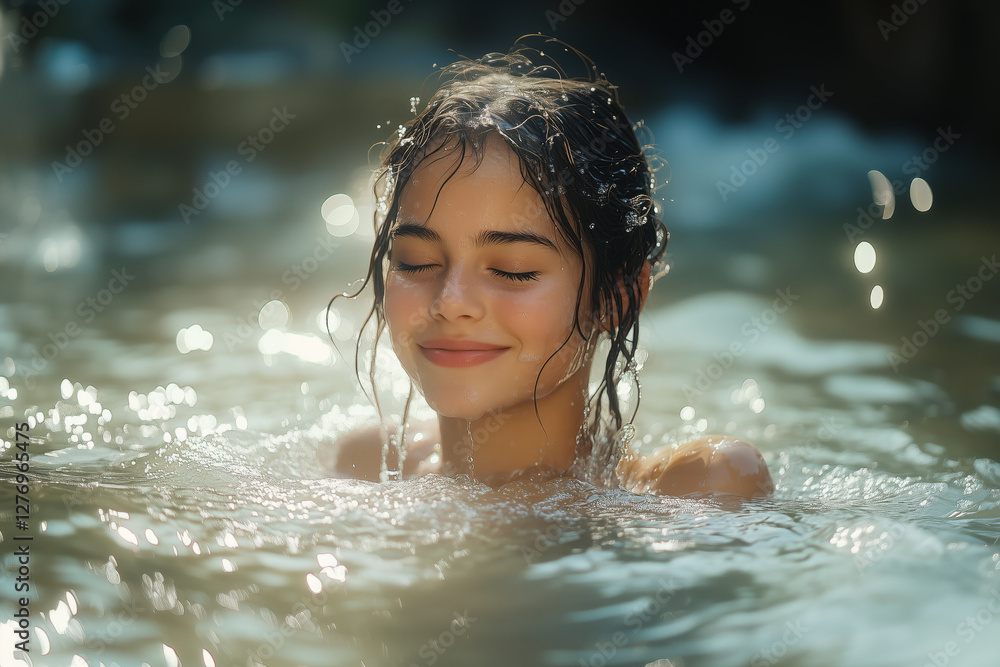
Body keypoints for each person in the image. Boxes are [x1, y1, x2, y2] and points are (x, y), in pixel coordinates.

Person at [327, 37, 774, 499]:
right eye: (415, 262)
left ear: (617, 296)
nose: (450, 301)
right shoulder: (366, 465)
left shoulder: (699, 486)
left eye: (513, 271)